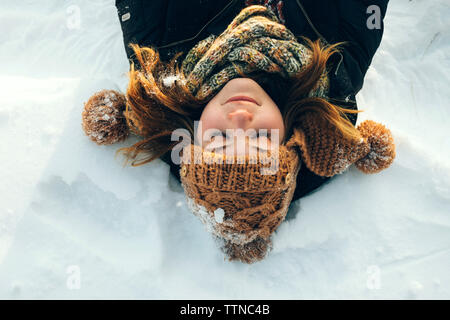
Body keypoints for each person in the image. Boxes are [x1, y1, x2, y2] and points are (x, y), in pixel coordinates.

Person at [82, 0, 395, 263]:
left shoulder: (158, 49)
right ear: (289, 136)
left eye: (218, 139)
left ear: (193, 134)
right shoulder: (339, 67)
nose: (241, 119)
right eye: (262, 140)